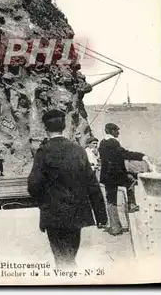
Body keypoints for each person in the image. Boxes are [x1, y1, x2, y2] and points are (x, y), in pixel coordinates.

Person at [28, 109, 107, 268]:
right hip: (76, 213)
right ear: (63, 127)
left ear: (46, 128)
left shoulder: (43, 152)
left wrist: (43, 201)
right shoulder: (78, 150)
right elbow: (92, 185)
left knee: (60, 257)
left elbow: (33, 185)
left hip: (53, 214)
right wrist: (101, 216)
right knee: (70, 254)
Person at [99, 123, 154, 236]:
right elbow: (123, 153)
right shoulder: (113, 142)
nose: (118, 132)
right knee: (131, 181)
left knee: (111, 201)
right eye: (117, 130)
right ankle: (131, 204)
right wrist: (142, 156)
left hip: (106, 176)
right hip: (115, 175)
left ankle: (115, 227)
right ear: (111, 131)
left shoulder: (102, 142)